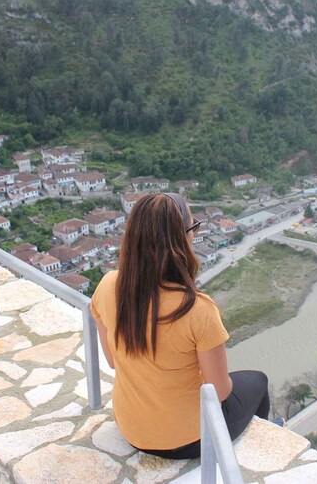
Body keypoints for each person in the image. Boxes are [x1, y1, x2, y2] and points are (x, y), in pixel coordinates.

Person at [90, 192, 270, 459]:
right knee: (258, 381)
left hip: (130, 428)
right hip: (185, 439)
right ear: (181, 239)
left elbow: (114, 361)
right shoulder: (197, 309)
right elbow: (219, 391)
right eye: (193, 227)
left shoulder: (108, 285)